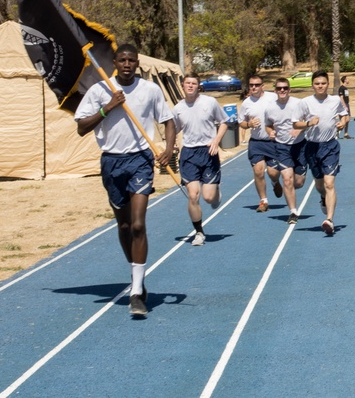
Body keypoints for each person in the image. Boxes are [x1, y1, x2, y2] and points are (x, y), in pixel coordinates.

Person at [75, 44, 176, 316]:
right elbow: (82, 128)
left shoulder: (150, 90)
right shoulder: (100, 90)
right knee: (124, 225)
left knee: (139, 224)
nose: (127, 64)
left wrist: (167, 148)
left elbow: (168, 120)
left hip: (141, 159)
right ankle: (137, 279)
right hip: (111, 161)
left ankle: (135, 292)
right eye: (123, 60)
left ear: (138, 62)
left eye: (132, 60)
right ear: (115, 63)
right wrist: (108, 108)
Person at [172, 73, 229, 247]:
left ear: (198, 86)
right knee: (193, 195)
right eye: (187, 83)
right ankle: (199, 232)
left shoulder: (209, 102)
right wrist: (172, 145)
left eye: (194, 83)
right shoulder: (178, 108)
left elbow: (224, 122)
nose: (190, 86)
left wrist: (216, 140)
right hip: (189, 154)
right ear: (183, 85)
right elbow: (173, 130)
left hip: (208, 152)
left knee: (209, 198)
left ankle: (216, 191)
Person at [300, 71, 350, 236]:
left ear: (328, 84)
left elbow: (345, 115)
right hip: (312, 147)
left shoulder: (335, 100)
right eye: (317, 83)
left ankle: (329, 219)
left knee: (329, 184)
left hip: (330, 146)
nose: (320, 86)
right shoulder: (305, 102)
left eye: (323, 83)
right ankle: (323, 198)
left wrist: (342, 123)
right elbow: (295, 123)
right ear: (312, 85)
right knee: (320, 185)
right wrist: (308, 123)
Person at [263, 77, 309, 224]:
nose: (282, 90)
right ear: (275, 90)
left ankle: (290, 190)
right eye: (279, 88)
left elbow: (310, 122)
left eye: (284, 88)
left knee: (299, 182)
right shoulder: (270, 107)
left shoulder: (298, 104)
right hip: (281, 147)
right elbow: (268, 124)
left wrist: (299, 129)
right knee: (287, 179)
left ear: (289, 90)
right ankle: (293, 212)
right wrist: (270, 132)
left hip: (300, 145)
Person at [237, 75, 280, 213]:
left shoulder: (273, 97)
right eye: (251, 85)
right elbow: (241, 122)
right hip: (256, 143)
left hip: (272, 142)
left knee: (273, 173)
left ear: (263, 86)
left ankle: (275, 182)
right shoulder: (246, 103)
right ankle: (263, 200)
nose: (253, 87)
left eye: (256, 85)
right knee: (258, 171)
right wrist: (248, 124)